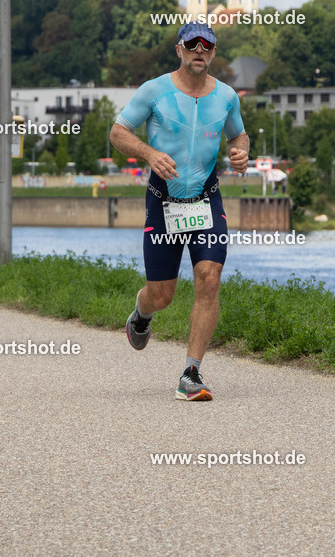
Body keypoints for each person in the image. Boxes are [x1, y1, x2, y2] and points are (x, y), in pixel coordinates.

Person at [109, 23, 249, 401]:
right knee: (162, 295)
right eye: (192, 45)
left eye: (207, 46)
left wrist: (240, 153)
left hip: (206, 199)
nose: (199, 51)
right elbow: (117, 132)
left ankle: (191, 372)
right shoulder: (155, 90)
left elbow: (238, 134)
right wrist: (150, 154)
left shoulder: (226, 96)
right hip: (163, 201)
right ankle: (141, 314)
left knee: (209, 278)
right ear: (179, 50)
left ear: (214, 53)